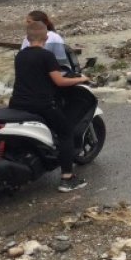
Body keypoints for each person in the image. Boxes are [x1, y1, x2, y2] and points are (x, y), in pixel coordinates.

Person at [11, 20, 90, 192]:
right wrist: (81, 79)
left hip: (17, 103)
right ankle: (67, 179)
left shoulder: (21, 55)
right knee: (66, 131)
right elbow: (60, 81)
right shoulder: (46, 56)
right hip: (41, 105)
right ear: (46, 37)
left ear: (27, 37)